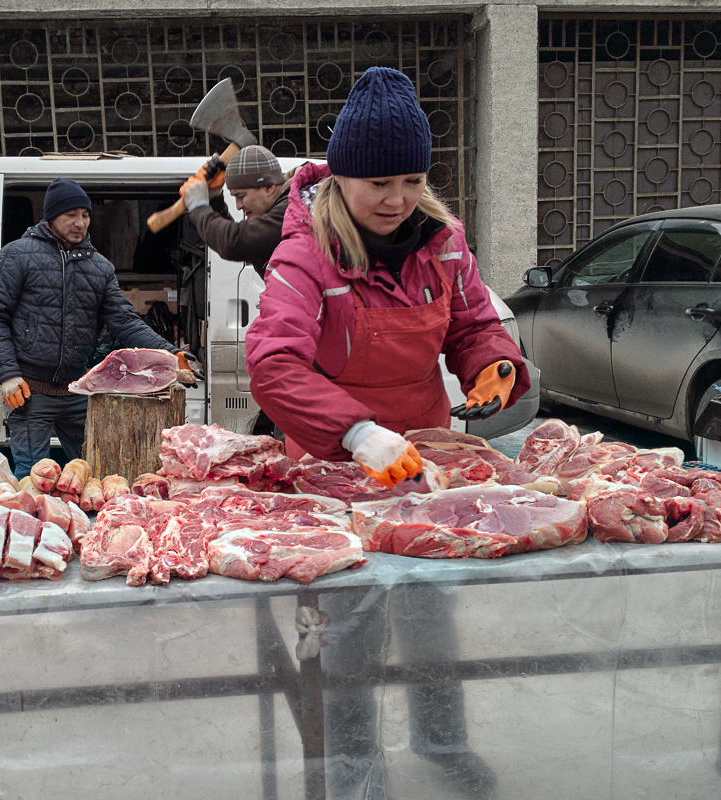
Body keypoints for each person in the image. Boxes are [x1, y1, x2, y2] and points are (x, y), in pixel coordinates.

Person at [245, 66, 531, 798]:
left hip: (427, 470)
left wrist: (494, 364)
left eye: (410, 178)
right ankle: (354, 774)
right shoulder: (303, 252)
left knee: (433, 626)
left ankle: (442, 745)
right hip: (336, 471)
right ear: (341, 178)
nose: (397, 198)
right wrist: (356, 434)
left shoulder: (445, 242)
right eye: (378, 182)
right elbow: (273, 366)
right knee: (348, 642)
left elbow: (471, 323)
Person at [0, 178, 199, 478]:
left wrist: (170, 354)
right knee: (33, 478)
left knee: (95, 474)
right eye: (71, 215)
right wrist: (8, 375)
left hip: (77, 391)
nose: (79, 223)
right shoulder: (16, 255)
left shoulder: (100, 267)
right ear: (51, 216)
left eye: (85, 215)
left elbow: (125, 320)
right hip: (31, 392)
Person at [180, 145, 294, 278]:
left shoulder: (291, 210)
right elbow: (248, 244)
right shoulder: (285, 206)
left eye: (241, 196)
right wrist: (214, 199)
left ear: (269, 188)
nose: (238, 206)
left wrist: (197, 207)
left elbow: (235, 243)